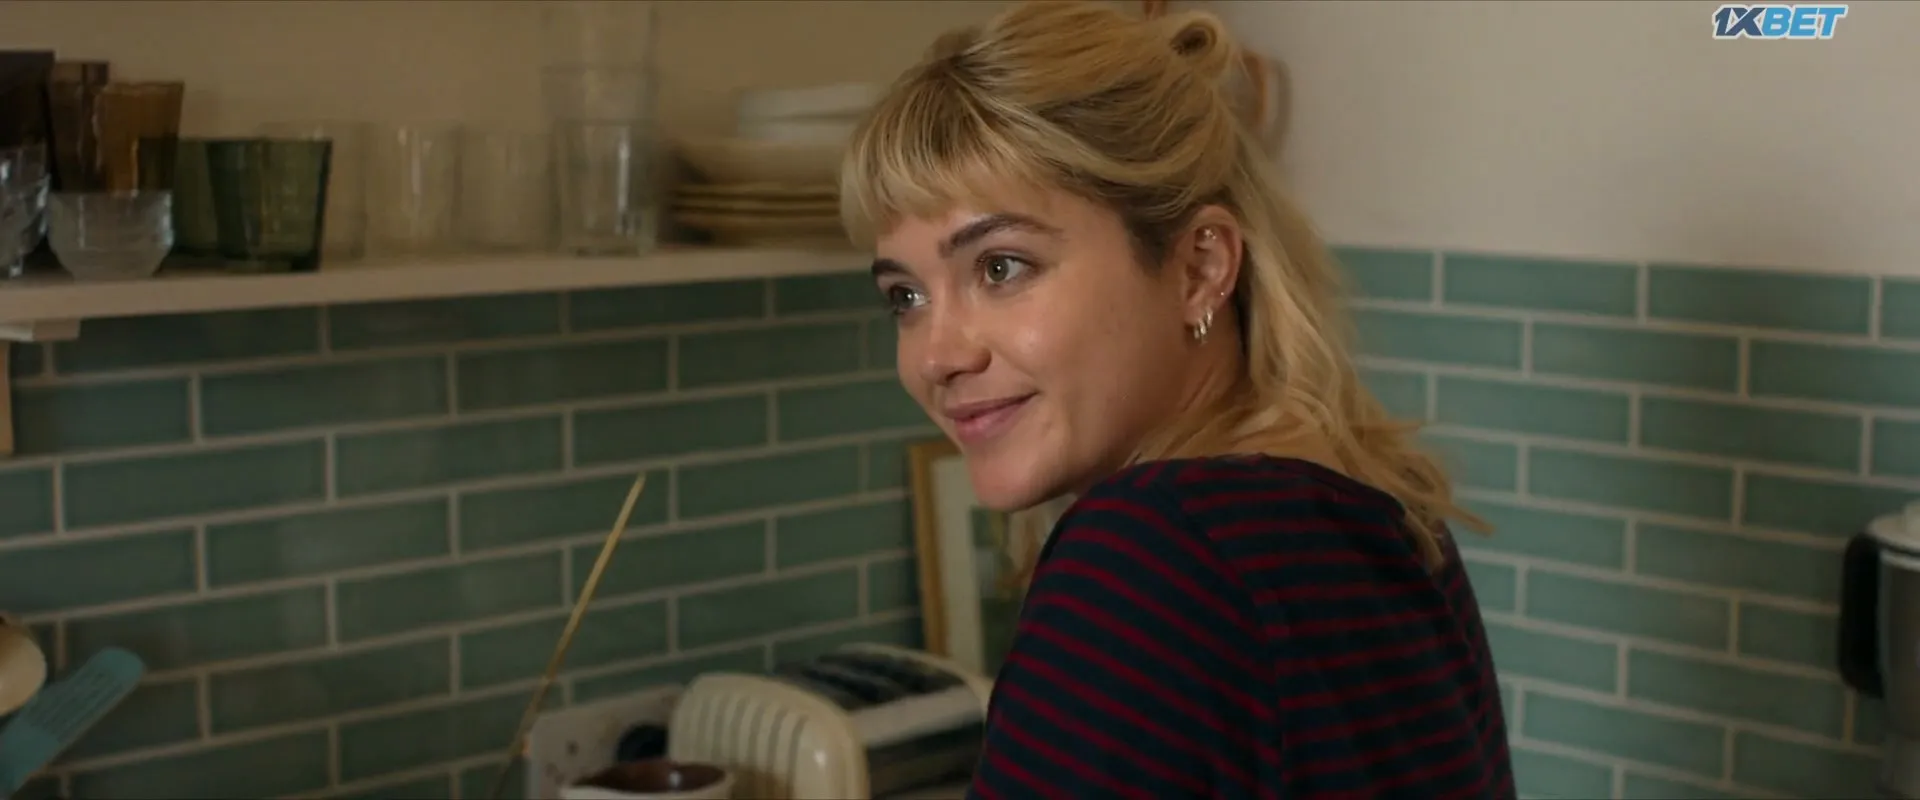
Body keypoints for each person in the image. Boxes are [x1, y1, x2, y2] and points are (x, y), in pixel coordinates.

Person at [839, 1, 1515, 797]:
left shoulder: (1144, 560)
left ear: (1199, 268)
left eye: (1001, 267)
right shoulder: (1396, 513)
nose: (938, 356)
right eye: (906, 297)